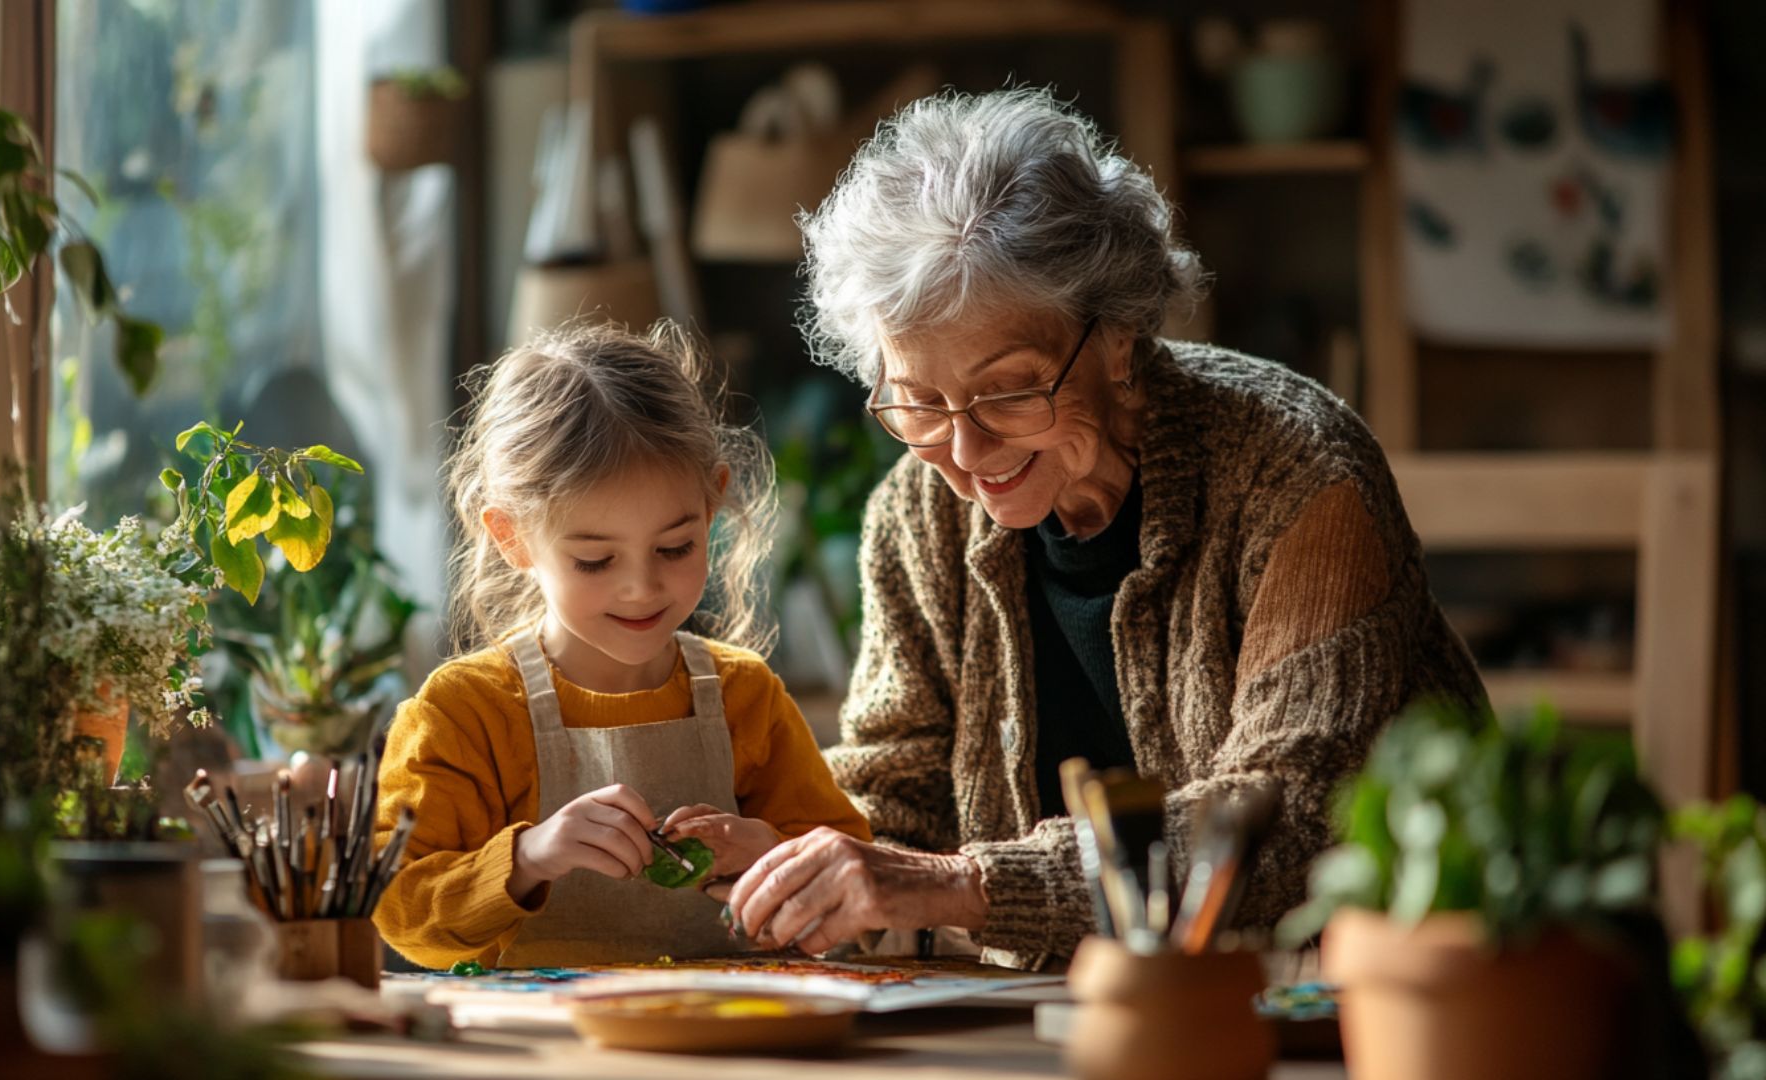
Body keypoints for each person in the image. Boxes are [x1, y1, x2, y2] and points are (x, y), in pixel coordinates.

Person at [719, 88, 1486, 969]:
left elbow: (1288, 819)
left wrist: (968, 884)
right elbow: (903, 794)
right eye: (920, 402)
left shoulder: (1298, 475)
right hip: (1060, 1014)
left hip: (1361, 997)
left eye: (1010, 390)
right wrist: (791, 856)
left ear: (1118, 337)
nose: (964, 450)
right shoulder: (916, 511)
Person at [372, 322, 871, 969]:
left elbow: (852, 878)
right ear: (512, 537)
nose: (641, 588)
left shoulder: (745, 695)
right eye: (595, 560)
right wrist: (530, 857)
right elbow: (401, 911)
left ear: (714, 502)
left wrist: (771, 851)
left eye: (674, 548)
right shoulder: (463, 712)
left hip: (731, 1035)